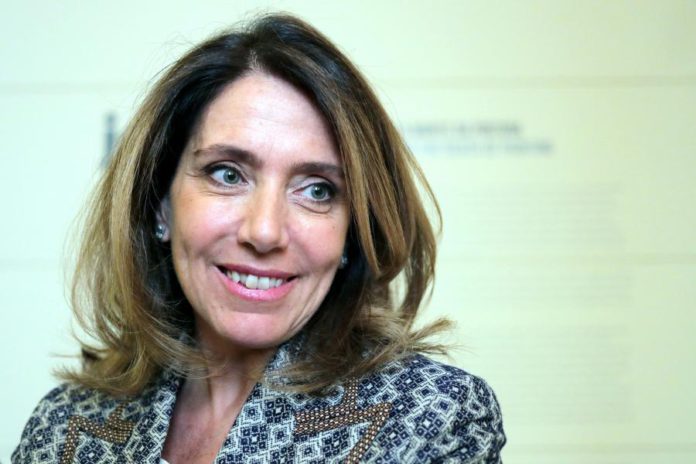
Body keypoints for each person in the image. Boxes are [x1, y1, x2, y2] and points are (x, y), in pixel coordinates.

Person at [13, 14, 505, 464]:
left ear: (354, 231)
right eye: (227, 174)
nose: (264, 231)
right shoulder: (64, 425)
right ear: (161, 204)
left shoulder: (430, 419)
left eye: (317, 190)